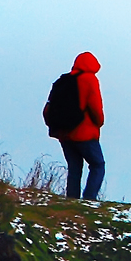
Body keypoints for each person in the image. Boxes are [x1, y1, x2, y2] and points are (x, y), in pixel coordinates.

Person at [44, 51, 105, 201]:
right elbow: (96, 108)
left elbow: (47, 108)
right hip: (84, 133)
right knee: (98, 165)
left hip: (64, 133)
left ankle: (71, 200)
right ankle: (89, 199)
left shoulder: (63, 80)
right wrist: (100, 122)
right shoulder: (90, 80)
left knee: (74, 168)